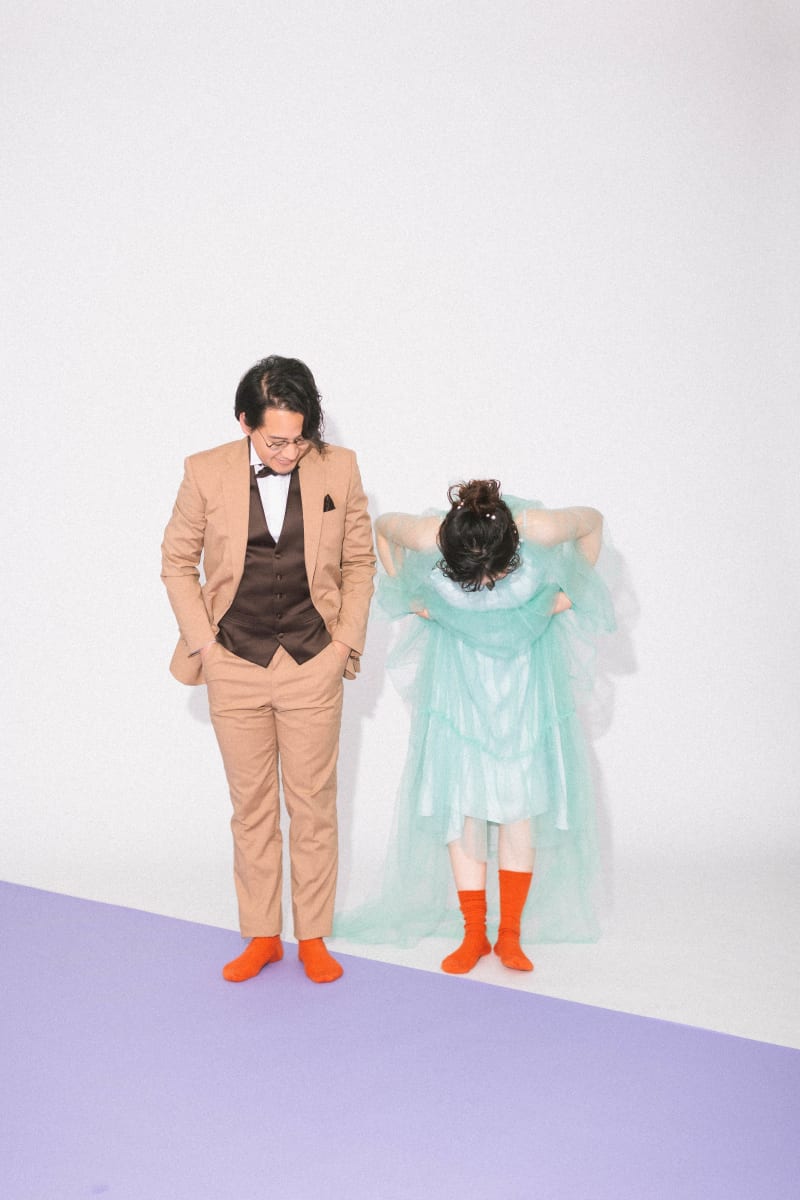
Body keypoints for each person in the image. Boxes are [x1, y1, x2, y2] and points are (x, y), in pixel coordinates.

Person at [334, 479, 613, 973]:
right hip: (459, 687)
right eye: (471, 578)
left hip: (522, 686)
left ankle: (510, 935)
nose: (484, 586)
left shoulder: (540, 527)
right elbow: (383, 531)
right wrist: (413, 598)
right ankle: (473, 932)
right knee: (462, 806)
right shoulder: (427, 534)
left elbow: (592, 523)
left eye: (494, 574)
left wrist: (567, 596)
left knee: (518, 807)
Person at [161, 356, 375, 984]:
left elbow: (360, 564)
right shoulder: (204, 471)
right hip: (233, 661)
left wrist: (343, 645)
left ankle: (312, 937)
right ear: (244, 423)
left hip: (314, 660)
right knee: (251, 809)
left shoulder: (341, 468)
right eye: (275, 441)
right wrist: (206, 647)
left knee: (313, 808)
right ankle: (261, 935)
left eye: (299, 439)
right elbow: (176, 562)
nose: (288, 452)